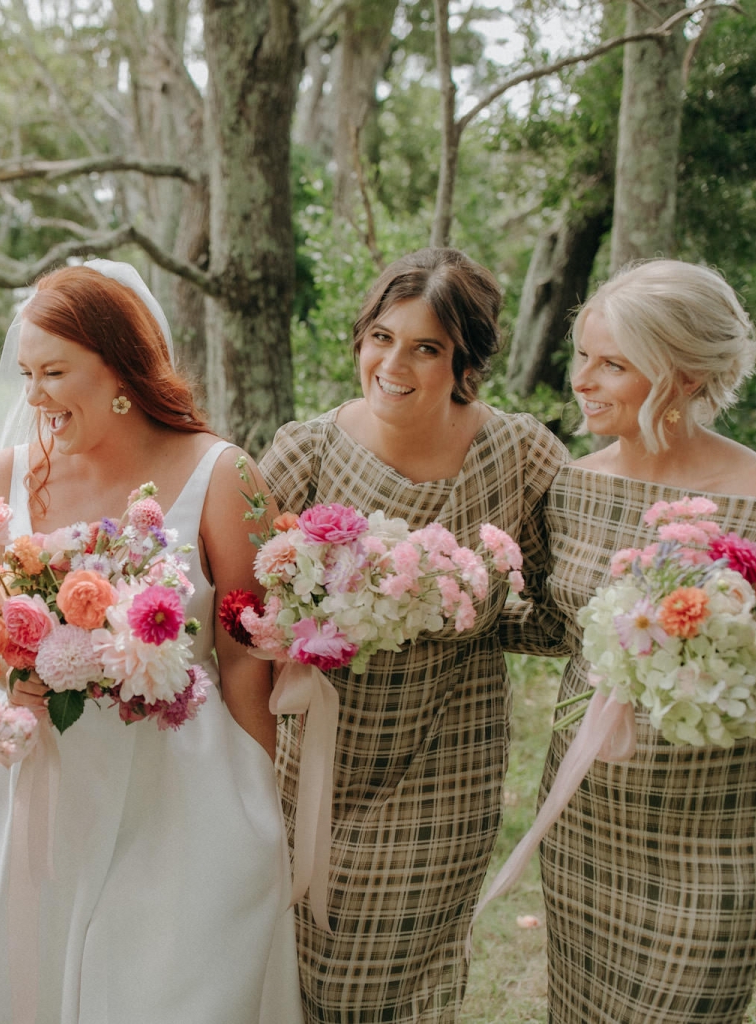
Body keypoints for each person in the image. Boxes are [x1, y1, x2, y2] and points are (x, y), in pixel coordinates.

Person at [0, 261, 302, 1024]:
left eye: (54, 372)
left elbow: (244, 656)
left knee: (164, 989)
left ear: (121, 364)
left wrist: (260, 797)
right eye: (27, 373)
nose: (33, 398)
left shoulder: (223, 474)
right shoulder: (10, 475)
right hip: (35, 784)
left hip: (177, 788)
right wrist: (9, 675)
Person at [500, 259, 756, 1023]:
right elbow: (554, 627)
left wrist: (720, 646)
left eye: (612, 364)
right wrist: (434, 601)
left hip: (714, 834)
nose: (583, 379)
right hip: (586, 824)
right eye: (583, 356)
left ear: (680, 376)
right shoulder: (573, 486)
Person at [258, 247, 567, 1022]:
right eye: (381, 338)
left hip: (448, 755)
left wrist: (475, 609)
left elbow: (565, 603)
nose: (395, 363)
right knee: (311, 969)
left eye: (426, 347)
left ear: (463, 360)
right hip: (320, 757)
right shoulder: (307, 449)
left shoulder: (520, 452)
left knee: (415, 972)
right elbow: (243, 601)